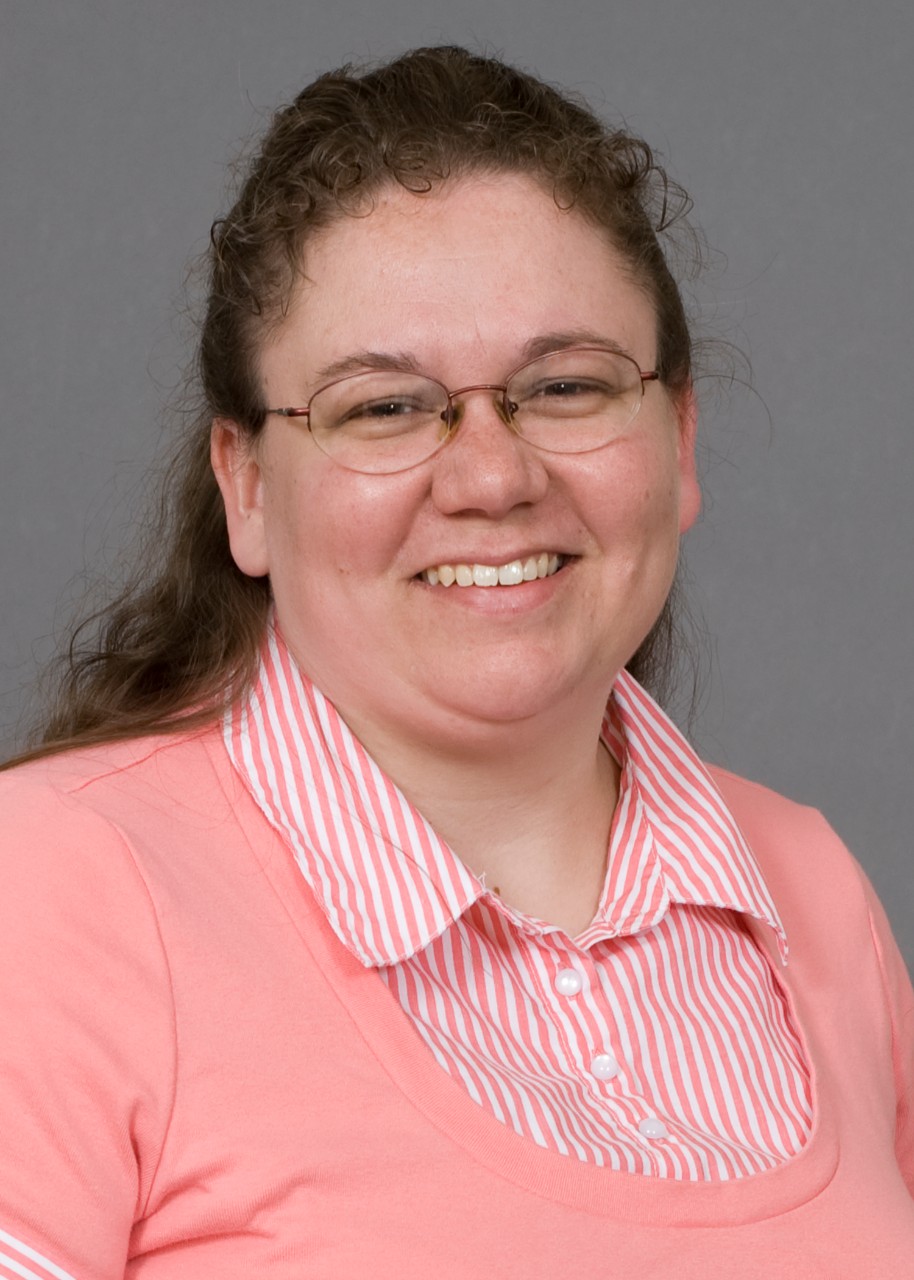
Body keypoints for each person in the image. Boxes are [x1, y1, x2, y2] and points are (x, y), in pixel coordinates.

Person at [1, 45, 912, 1280]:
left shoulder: (811, 887)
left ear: (678, 440)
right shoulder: (54, 891)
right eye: (381, 405)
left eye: (566, 386)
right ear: (248, 486)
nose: (492, 476)